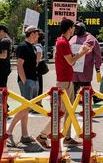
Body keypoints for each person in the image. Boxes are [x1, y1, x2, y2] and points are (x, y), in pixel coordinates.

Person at [36, 18, 91, 149]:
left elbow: (70, 61)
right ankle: (43, 135)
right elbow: (71, 61)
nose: (74, 30)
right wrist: (82, 52)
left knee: (68, 111)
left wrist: (81, 53)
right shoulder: (63, 42)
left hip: (66, 80)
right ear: (70, 28)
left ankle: (67, 137)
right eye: (73, 28)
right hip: (64, 81)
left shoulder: (63, 42)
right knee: (60, 112)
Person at [7, 26, 42, 150]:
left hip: (32, 79)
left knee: (26, 108)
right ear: (32, 34)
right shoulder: (23, 46)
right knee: (25, 107)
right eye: (37, 34)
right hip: (27, 80)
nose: (38, 36)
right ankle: (9, 132)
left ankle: (24, 134)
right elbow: (19, 65)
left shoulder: (32, 47)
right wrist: (25, 81)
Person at [70, 21, 102, 95]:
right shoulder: (73, 38)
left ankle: (88, 102)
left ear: (83, 29)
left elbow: (97, 54)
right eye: (75, 28)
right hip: (74, 67)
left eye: (78, 28)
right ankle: (73, 103)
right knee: (74, 87)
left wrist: (97, 67)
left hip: (85, 68)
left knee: (86, 87)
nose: (76, 29)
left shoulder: (91, 38)